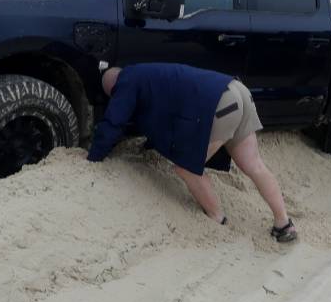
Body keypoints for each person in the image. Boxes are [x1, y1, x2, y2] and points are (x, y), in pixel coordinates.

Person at [87, 63, 297, 242]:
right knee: (254, 164)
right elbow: (160, 118)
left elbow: (112, 123)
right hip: (238, 90)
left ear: (113, 88)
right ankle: (284, 223)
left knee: (187, 168)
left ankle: (217, 219)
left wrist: (93, 158)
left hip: (220, 104)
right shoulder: (148, 74)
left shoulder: (125, 82)